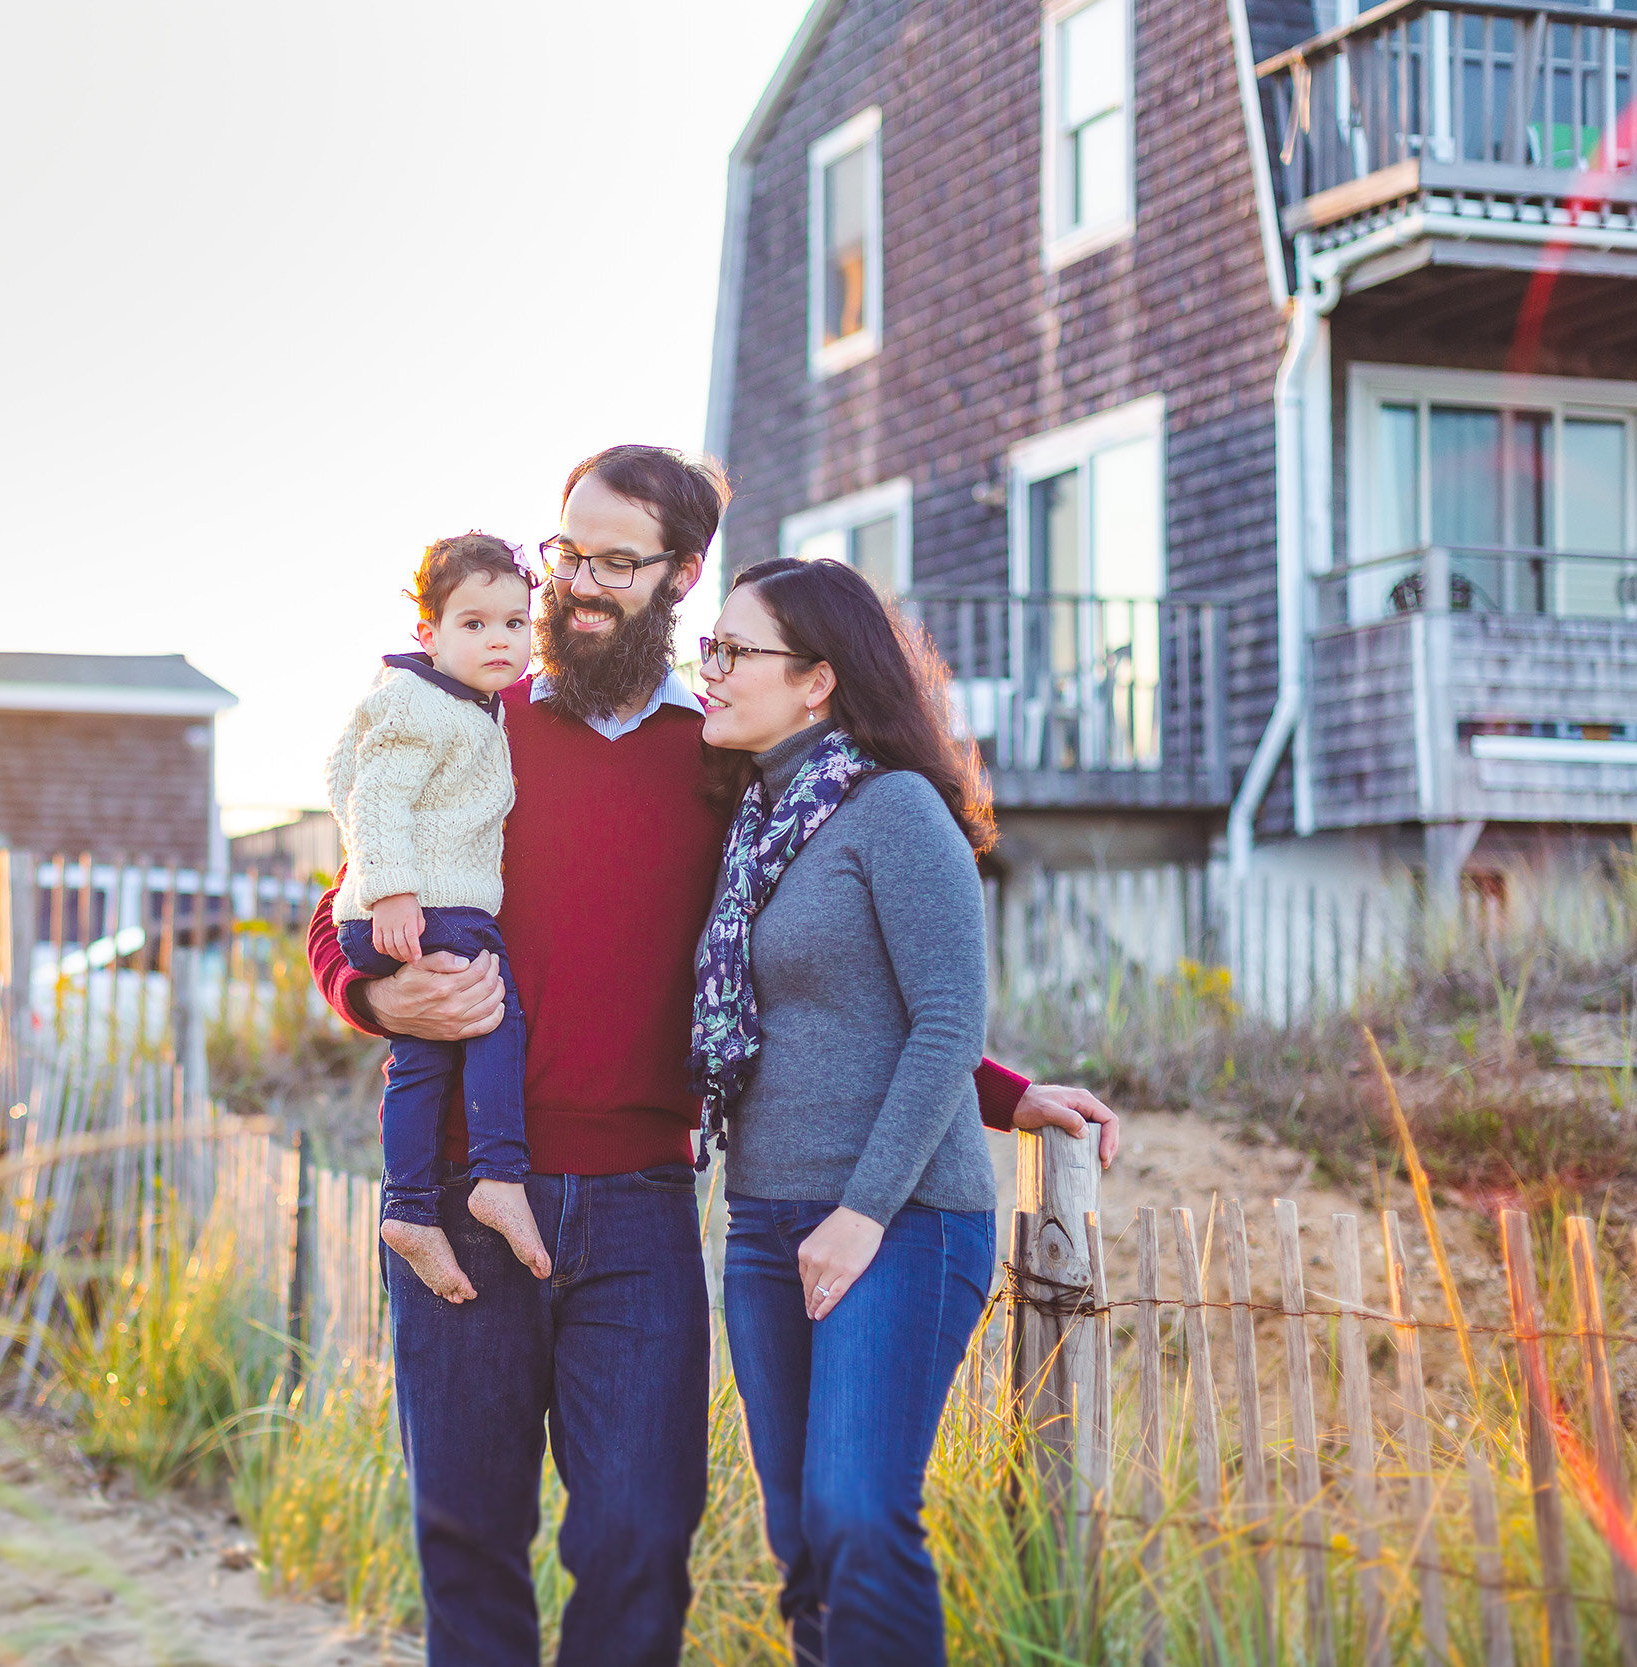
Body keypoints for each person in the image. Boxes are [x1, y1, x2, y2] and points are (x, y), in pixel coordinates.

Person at [305, 444, 1120, 1667]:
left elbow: (816, 975)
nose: (574, 584)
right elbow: (344, 908)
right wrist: (376, 993)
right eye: (563, 552)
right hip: (473, 1188)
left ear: (681, 575)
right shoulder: (478, 724)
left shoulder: (722, 756)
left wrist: (996, 1088)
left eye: (613, 561)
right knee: (465, 1534)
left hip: (639, 1205)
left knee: (640, 1540)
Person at [692, 556, 995, 1665]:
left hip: (901, 1219)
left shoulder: (894, 808)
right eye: (707, 648)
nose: (709, 672)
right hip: (765, 1222)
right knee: (802, 1535)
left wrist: (863, 1211)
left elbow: (947, 1019)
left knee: (862, 1516)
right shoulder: (749, 824)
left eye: (733, 651)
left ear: (816, 680)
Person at [326, 533, 551, 1302]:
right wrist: (388, 887)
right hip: (427, 904)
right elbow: (374, 792)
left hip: (408, 900)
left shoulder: (456, 702)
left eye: (516, 623)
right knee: (495, 1014)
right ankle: (498, 1174)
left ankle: (409, 1207)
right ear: (428, 633)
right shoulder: (420, 699)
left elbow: (340, 769)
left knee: (424, 1054)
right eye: (475, 623)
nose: (500, 639)